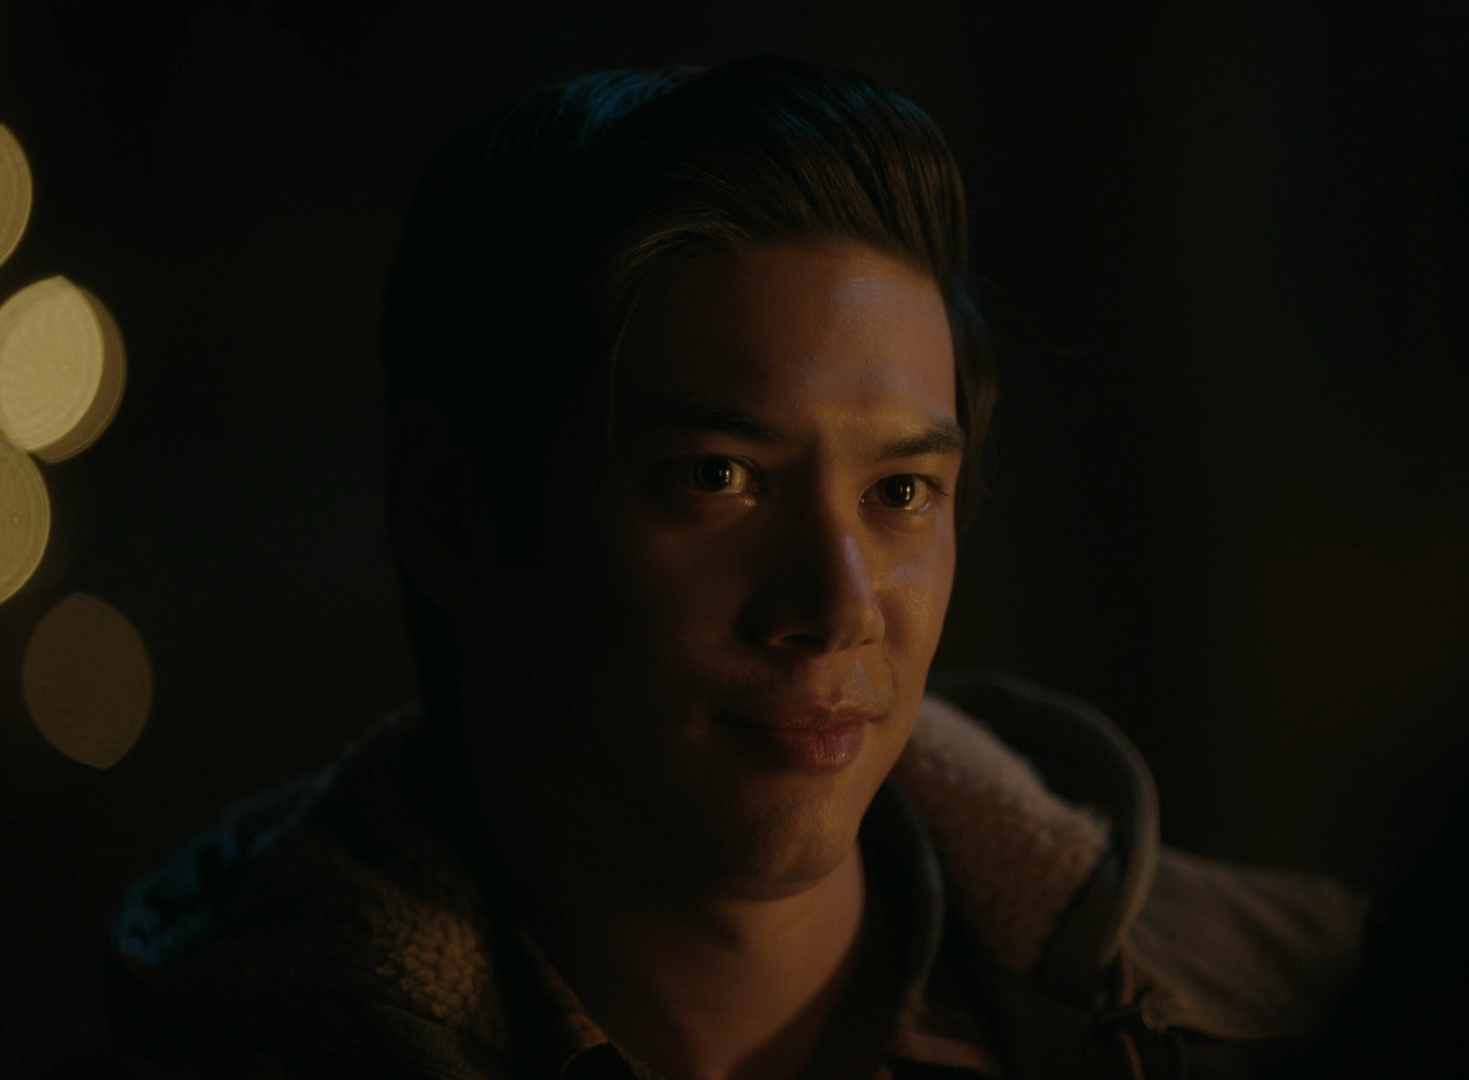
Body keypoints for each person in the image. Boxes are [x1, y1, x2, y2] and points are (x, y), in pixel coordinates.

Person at [80, 58, 1366, 1080]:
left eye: (900, 493)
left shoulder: (1307, 1009)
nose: (838, 606)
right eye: (718, 477)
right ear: (451, 515)